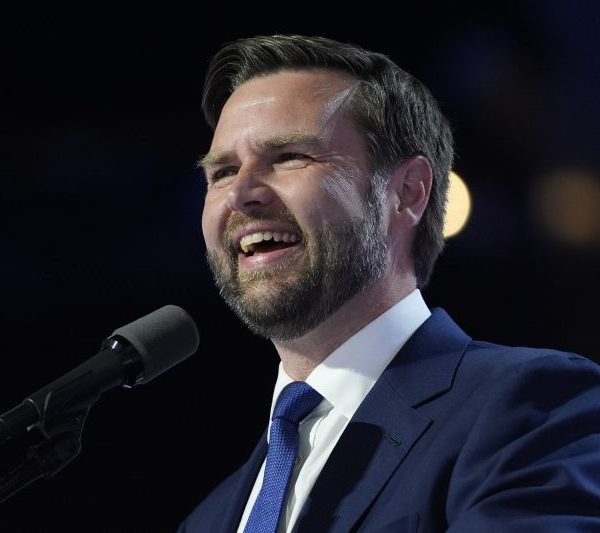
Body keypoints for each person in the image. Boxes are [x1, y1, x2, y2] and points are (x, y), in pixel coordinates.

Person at [178, 34, 600, 532]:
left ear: (407, 192)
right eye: (223, 171)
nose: (242, 193)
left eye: (290, 157)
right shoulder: (208, 519)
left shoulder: (531, 407)